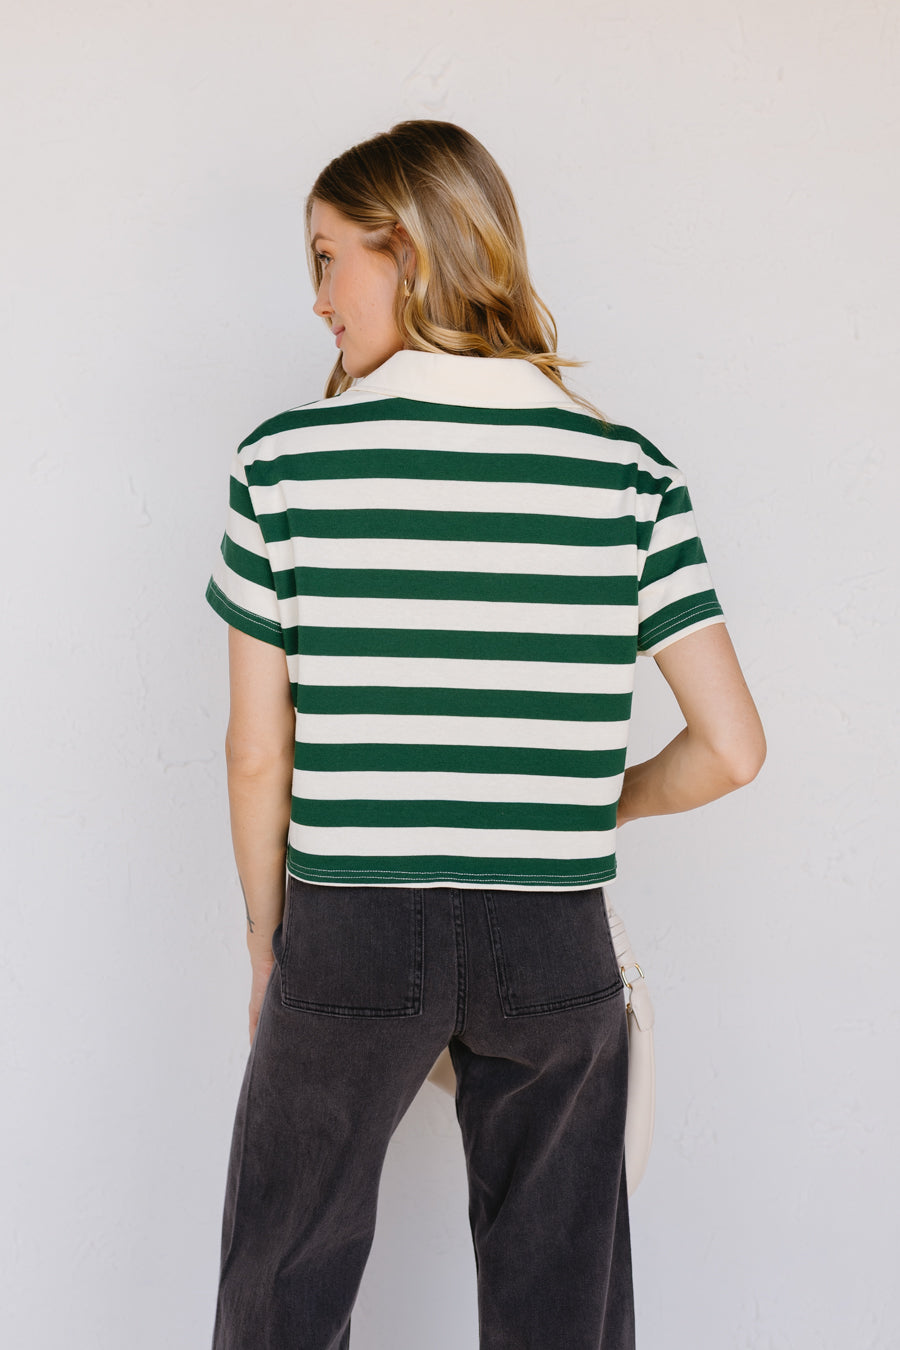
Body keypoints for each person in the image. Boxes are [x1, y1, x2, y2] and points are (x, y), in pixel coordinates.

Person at [204, 120, 766, 1350]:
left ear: (405, 252)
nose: (316, 300)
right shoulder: (627, 472)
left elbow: (258, 753)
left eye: (328, 258)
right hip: (552, 930)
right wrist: (595, 799)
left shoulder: (285, 464)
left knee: (281, 1278)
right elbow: (731, 747)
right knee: (563, 1297)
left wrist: (265, 943)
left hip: (348, 922)